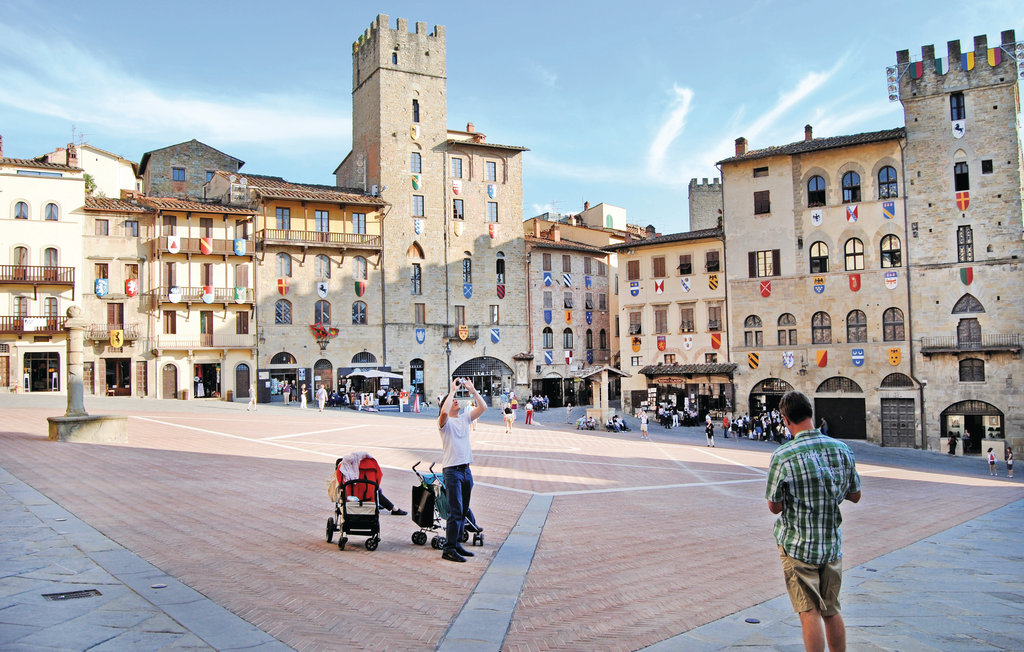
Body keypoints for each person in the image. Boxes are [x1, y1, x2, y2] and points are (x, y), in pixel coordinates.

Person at [766, 390, 861, 652]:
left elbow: (774, 506)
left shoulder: (783, 455)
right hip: (830, 544)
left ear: (785, 419)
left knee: (808, 611)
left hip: (798, 545)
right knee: (831, 609)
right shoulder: (842, 450)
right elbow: (855, 495)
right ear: (811, 414)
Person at [437, 377, 486, 562]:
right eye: (453, 401)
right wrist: (452, 391)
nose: (456, 401)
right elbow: (443, 412)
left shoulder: (465, 418)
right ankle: (448, 549)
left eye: (456, 399)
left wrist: (473, 390)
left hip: (466, 470)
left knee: (463, 511)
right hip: (452, 471)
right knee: (455, 511)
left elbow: (483, 408)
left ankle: (457, 544)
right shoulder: (444, 423)